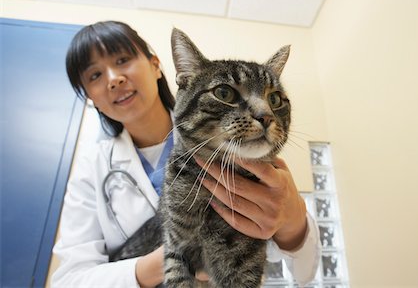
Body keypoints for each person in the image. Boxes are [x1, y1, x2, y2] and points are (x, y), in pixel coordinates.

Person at [51, 21, 321, 288]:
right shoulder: (92, 167)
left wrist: (294, 222)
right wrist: (172, 260)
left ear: (156, 65)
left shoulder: (250, 149)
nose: (114, 79)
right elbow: (69, 281)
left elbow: (306, 271)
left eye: (122, 60)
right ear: (89, 96)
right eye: (95, 76)